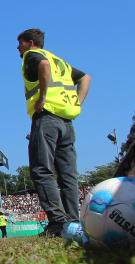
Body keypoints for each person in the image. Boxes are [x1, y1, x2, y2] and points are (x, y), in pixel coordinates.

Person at [17, 29, 91, 237]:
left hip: (47, 118)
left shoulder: (34, 56)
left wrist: (41, 99)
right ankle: (74, 224)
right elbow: (85, 78)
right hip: (67, 123)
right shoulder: (60, 61)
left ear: (31, 43)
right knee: (68, 176)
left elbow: (44, 65)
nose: (18, 48)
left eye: (20, 43)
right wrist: (77, 103)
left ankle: (59, 224)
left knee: (41, 170)